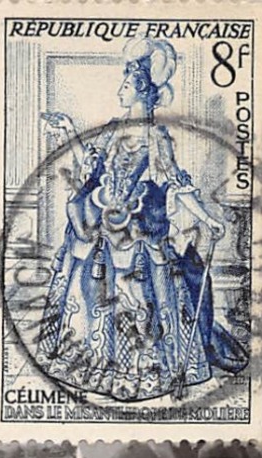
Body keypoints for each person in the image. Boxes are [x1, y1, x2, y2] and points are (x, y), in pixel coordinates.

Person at [37, 38, 246, 403]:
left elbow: (178, 186)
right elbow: (91, 165)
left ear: (144, 93)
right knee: (94, 300)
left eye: (127, 85)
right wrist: (69, 132)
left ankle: (142, 375)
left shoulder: (156, 138)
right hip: (103, 230)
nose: (120, 90)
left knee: (139, 305)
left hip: (138, 238)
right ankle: (96, 366)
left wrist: (208, 220)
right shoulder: (114, 127)